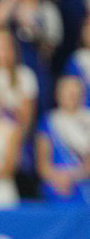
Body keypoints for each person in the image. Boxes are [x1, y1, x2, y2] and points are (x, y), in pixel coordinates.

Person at [36, 75, 90, 203]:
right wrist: (58, 178)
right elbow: (42, 165)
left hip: (85, 184)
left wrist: (72, 177)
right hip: (56, 185)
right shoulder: (49, 121)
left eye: (75, 92)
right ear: (58, 94)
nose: (72, 96)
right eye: (68, 92)